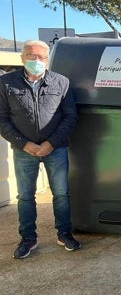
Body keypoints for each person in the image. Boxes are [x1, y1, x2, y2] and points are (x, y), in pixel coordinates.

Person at [0, 40, 80, 259]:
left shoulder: (60, 82)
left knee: (61, 194)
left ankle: (64, 234)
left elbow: (70, 117)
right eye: (31, 56)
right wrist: (25, 144)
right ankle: (28, 239)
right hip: (23, 150)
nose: (37, 61)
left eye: (41, 57)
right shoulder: (6, 83)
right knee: (25, 196)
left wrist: (51, 143)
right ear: (22, 58)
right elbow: (2, 119)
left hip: (55, 148)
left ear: (48, 59)